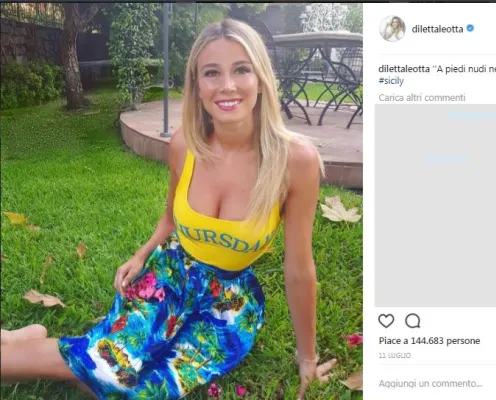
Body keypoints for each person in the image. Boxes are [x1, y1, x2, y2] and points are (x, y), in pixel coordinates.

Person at [0, 19, 336, 399]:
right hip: (171, 273)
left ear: (261, 78)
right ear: (197, 85)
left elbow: (299, 269)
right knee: (109, 365)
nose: (227, 85)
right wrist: (141, 254)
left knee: (149, 390)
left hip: (229, 303)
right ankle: (25, 349)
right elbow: (171, 216)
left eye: (241, 69)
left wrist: (307, 357)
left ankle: (29, 343)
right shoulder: (184, 145)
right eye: (212, 73)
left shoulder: (295, 161)